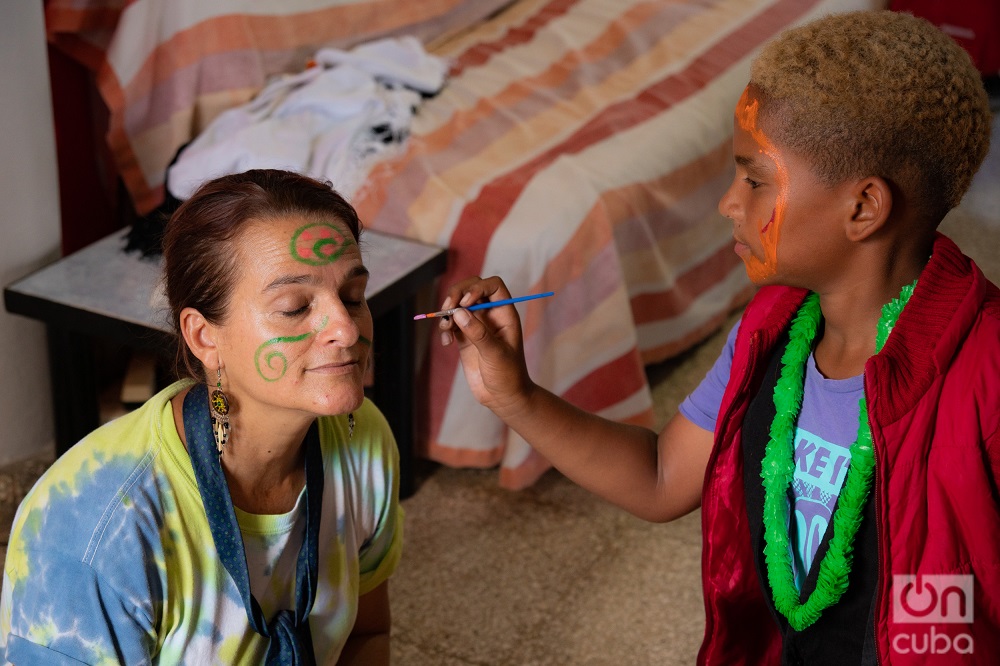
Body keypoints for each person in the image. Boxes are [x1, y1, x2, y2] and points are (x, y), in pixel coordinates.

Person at [436, 10, 999, 665]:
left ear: (862, 209)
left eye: (754, 179)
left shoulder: (984, 371)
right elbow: (660, 478)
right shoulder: (770, 333)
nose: (730, 203)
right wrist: (515, 397)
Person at [0, 169, 403, 664]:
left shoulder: (366, 441)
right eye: (295, 307)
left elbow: (366, 637)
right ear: (204, 336)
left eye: (353, 296)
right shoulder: (94, 528)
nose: (345, 327)